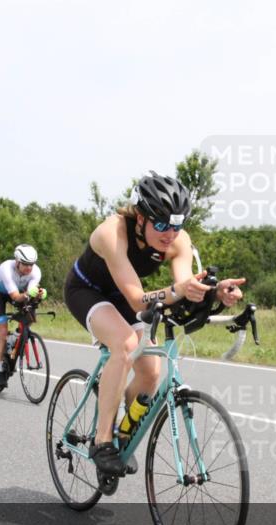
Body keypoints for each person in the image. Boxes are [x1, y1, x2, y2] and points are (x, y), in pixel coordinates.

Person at [64, 171, 245, 475]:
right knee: (126, 345)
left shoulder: (178, 241)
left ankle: (124, 434)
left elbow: (184, 285)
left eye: (177, 225)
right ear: (139, 217)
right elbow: (138, 300)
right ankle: (102, 440)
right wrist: (178, 291)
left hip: (123, 296)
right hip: (87, 291)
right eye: (161, 224)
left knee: (150, 371)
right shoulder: (113, 232)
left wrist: (213, 292)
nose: (169, 234)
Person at [0, 244, 46, 388]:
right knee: (2, 330)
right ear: (17, 262)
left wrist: (39, 295)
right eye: (25, 264)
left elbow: (30, 293)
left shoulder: (35, 272)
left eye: (31, 264)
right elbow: (15, 296)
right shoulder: (6, 269)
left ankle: (14, 338)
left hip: (19, 292)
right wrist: (27, 294)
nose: (29, 268)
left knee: (31, 316)